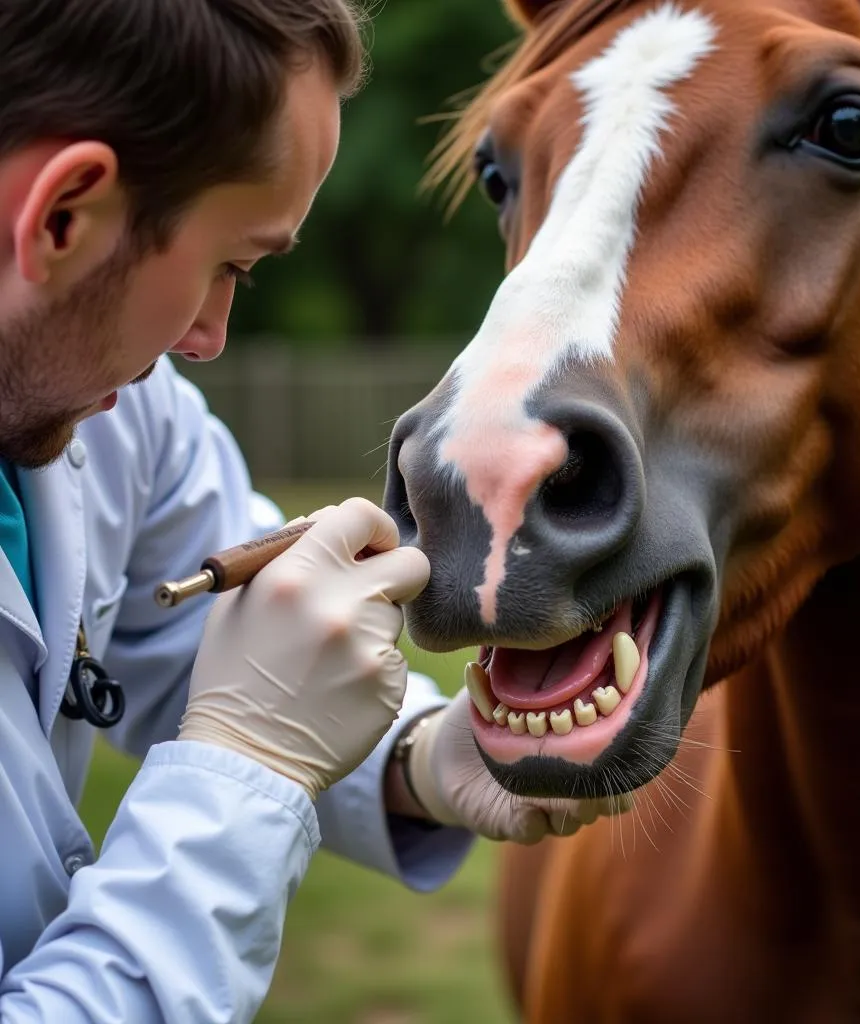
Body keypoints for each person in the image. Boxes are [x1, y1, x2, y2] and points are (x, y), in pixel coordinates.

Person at [0, 2, 621, 1020]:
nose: (209, 338)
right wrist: (247, 769)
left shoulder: (111, 407)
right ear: (66, 211)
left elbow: (212, 626)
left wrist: (421, 759)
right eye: (231, 266)